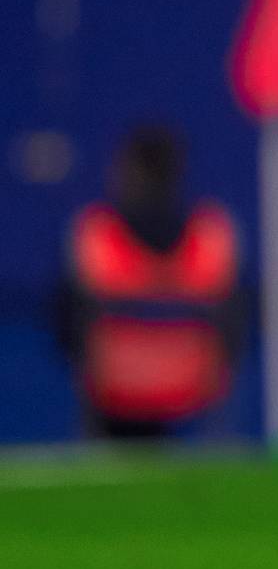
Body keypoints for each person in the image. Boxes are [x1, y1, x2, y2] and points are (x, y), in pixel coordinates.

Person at [54, 125, 244, 439]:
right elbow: (235, 327)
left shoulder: (97, 235)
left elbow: (68, 326)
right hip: (193, 387)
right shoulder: (210, 234)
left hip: (116, 385)